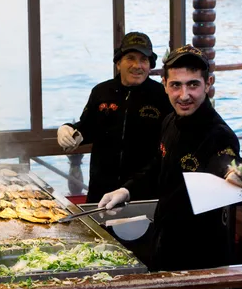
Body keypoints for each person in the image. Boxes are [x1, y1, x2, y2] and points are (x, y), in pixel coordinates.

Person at [98, 45, 241, 271]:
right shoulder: (169, 121)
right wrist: (126, 190)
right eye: (176, 85)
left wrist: (236, 174)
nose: (184, 95)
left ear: (208, 84)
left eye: (193, 84)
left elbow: (225, 163)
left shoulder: (219, 135)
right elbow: (158, 166)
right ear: (164, 85)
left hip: (203, 254)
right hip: (165, 238)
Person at [57, 32, 172, 203]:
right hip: (101, 190)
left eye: (143, 59)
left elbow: (169, 145)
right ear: (118, 62)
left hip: (143, 193)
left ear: (150, 65)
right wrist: (67, 129)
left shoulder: (163, 96)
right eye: (130, 58)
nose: (137, 65)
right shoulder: (101, 92)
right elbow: (87, 128)